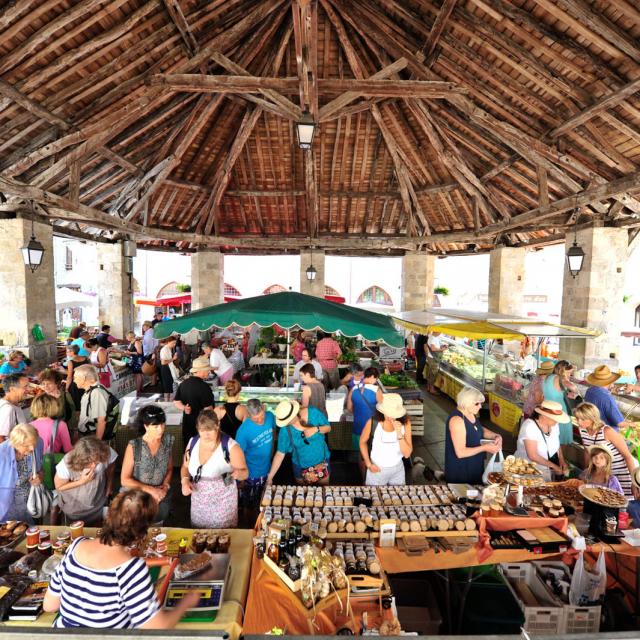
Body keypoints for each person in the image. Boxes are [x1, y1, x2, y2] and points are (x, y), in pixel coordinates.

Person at [44, 489, 199, 628]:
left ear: (109, 515)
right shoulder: (130, 569)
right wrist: (185, 603)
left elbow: (49, 605)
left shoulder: (75, 546)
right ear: (141, 534)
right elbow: (157, 626)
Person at [181, 409, 248, 528]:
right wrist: (185, 480)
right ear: (197, 428)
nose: (206, 435)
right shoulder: (192, 442)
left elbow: (245, 473)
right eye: (202, 430)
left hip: (223, 506)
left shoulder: (231, 447)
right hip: (199, 505)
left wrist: (238, 474)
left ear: (218, 426)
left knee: (223, 539)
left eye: (210, 430)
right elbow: (185, 467)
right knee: (199, 537)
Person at [120, 405, 173, 523]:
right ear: (146, 426)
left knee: (157, 530)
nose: (161, 429)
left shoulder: (167, 441)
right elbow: (125, 480)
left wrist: (165, 486)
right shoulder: (135, 446)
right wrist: (150, 490)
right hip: (136, 498)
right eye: (155, 426)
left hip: (160, 495)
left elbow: (169, 469)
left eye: (162, 424)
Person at [574, 402, 636, 499]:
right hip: (602, 476)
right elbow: (587, 451)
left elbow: (627, 456)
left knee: (621, 504)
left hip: (619, 473)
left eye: (582, 419)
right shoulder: (582, 430)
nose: (579, 422)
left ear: (592, 418)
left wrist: (634, 482)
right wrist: (587, 472)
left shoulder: (607, 431)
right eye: (577, 418)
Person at [443, 386, 501, 484]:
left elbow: (478, 429)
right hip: (461, 471)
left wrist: (495, 436)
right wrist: (485, 448)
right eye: (477, 403)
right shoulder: (457, 420)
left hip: (474, 466)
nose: (480, 407)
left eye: (481, 403)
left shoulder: (470, 413)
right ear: (467, 402)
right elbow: (460, 452)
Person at [54, 436, 117, 524]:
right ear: (80, 459)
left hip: (98, 502)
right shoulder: (66, 464)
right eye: (89, 463)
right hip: (75, 508)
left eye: (97, 462)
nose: (94, 466)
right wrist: (82, 481)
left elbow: (111, 465)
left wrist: (109, 485)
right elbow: (59, 486)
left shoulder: (105, 451)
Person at [268, 400, 331, 485]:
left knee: (324, 493)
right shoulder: (285, 429)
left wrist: (316, 429)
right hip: (300, 467)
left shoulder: (313, 412)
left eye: (288, 420)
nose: (287, 423)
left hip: (321, 462)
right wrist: (270, 477)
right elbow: (280, 453)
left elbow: (328, 428)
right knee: (302, 495)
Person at [359, 394, 413, 486]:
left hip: (397, 470)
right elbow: (362, 442)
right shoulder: (373, 422)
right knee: (375, 498)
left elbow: (407, 454)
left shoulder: (406, 423)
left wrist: (399, 433)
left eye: (393, 414)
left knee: (397, 499)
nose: (389, 416)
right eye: (387, 412)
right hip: (377, 470)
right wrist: (368, 464)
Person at [515, 400, 569, 482]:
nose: (557, 421)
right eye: (554, 419)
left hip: (546, 468)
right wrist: (554, 466)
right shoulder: (529, 427)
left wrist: (561, 460)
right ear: (543, 415)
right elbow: (533, 455)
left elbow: (556, 444)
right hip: (529, 469)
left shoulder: (554, 425)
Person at [0, 423, 44, 523]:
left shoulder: (39, 443)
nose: (32, 448)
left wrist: (40, 477)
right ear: (15, 444)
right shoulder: (1, 454)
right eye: (27, 445)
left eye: (34, 443)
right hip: (6, 511)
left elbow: (40, 469)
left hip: (31, 505)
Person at [235, 399, 275, 506]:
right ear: (248, 415)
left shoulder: (270, 416)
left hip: (268, 470)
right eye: (256, 419)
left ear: (263, 408)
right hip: (251, 475)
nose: (260, 420)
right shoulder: (243, 431)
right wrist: (241, 479)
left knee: (266, 503)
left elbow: (274, 432)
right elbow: (237, 456)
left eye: (262, 416)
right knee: (250, 505)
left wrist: (272, 451)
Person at [174, 356, 215, 445]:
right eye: (207, 370)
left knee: (188, 447)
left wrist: (184, 408)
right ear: (200, 371)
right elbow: (208, 409)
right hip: (201, 426)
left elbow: (176, 402)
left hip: (187, 424)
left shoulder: (183, 383)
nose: (209, 371)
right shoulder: (204, 387)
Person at [584, 365, 636, 430]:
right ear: (611, 381)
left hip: (592, 429)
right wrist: (632, 424)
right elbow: (620, 424)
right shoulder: (607, 398)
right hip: (606, 434)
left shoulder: (590, 390)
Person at [347, 367, 384, 455]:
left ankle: (362, 467)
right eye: (376, 378)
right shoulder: (376, 390)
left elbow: (349, 408)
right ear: (372, 376)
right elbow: (382, 409)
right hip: (372, 428)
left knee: (361, 453)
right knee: (372, 451)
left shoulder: (353, 389)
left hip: (357, 426)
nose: (375, 381)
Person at [542, 360, 575, 445]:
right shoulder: (560, 378)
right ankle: (561, 458)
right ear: (563, 371)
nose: (569, 375)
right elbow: (573, 387)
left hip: (548, 411)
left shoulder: (547, 377)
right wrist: (568, 381)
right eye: (568, 373)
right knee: (561, 442)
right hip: (559, 413)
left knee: (550, 440)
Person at [74, 365, 110, 440]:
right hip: (87, 433)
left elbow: (101, 421)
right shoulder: (92, 390)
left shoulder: (96, 393)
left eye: (75, 377)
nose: (74, 380)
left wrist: (97, 443)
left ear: (83, 378)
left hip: (91, 435)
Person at [0, 374, 28, 442]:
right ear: (12, 389)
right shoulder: (7, 409)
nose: (28, 389)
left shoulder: (13, 404)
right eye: (25, 387)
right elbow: (1, 438)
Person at [64, 344, 89, 411]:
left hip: (76, 384)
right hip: (86, 382)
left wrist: (66, 388)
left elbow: (69, 377)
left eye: (67, 351)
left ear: (72, 352)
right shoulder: (86, 358)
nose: (66, 353)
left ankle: (79, 416)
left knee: (77, 403)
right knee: (85, 400)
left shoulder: (71, 362)